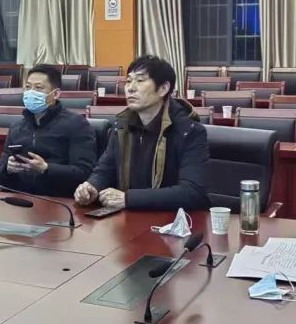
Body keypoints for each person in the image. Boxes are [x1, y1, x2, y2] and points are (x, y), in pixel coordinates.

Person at [74, 55, 209, 211]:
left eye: (139, 80)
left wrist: (128, 199)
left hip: (170, 219)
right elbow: (105, 169)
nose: (130, 88)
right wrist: (92, 186)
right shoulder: (122, 125)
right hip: (129, 218)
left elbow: (192, 192)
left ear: (163, 89)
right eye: (128, 81)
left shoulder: (189, 131)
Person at [0, 64, 97, 197]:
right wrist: (7, 169)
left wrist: (46, 168)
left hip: (58, 201)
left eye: (38, 88)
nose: (31, 92)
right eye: (28, 87)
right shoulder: (16, 127)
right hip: (21, 199)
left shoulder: (77, 125)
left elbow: (84, 173)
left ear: (55, 94)